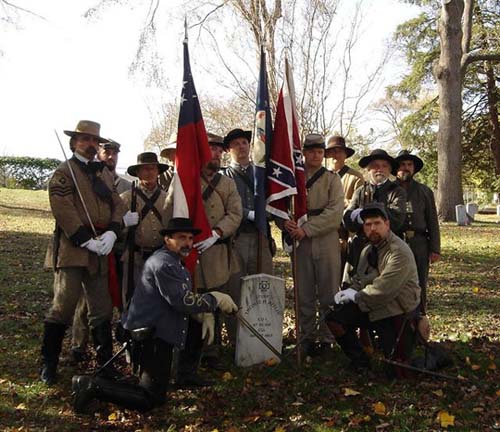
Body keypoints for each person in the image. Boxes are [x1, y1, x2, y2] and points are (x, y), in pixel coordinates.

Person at [71, 217, 239, 413]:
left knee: (157, 390)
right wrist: (214, 299)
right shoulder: (164, 264)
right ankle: (92, 386)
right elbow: (181, 301)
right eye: (181, 238)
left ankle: (185, 375)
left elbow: (181, 299)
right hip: (150, 336)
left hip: (159, 331)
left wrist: (204, 310)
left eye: (191, 238)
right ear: (167, 240)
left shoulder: (172, 261)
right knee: (150, 398)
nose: (188, 243)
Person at [41, 120, 125, 385]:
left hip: (101, 248)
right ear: (74, 142)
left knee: (101, 308)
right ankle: (49, 363)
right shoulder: (64, 172)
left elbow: (118, 205)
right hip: (73, 249)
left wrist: (112, 231)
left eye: (94, 141)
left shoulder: (103, 174)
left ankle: (104, 364)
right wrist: (85, 240)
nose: (90, 144)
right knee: (63, 306)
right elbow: (62, 208)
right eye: (85, 139)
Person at [167, 133, 242, 377]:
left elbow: (235, 213)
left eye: (220, 151)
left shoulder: (228, 184)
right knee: (191, 301)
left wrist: (217, 232)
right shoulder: (186, 179)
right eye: (212, 150)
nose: (217, 155)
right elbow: (171, 209)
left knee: (216, 301)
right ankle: (188, 353)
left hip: (217, 250)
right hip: (189, 252)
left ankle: (212, 352)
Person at [326, 202, 421, 378]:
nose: (372, 229)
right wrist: (348, 293)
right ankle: (360, 362)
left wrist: (356, 295)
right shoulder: (368, 250)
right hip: (372, 305)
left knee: (398, 371)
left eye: (377, 223)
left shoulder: (399, 252)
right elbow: (359, 279)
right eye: (368, 225)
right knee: (334, 318)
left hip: (396, 311)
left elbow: (384, 289)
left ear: (387, 224)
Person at [70, 139, 131, 364]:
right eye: (107, 151)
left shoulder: (126, 186)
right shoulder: (86, 178)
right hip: (91, 248)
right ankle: (79, 345)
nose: (111, 156)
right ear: (99, 153)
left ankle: (118, 346)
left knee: (117, 298)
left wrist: (123, 225)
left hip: (119, 248)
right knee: (86, 301)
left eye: (115, 153)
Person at [283, 133, 344, 357]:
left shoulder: (332, 179)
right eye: (311, 151)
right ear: (304, 153)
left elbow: (335, 213)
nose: (316, 155)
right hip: (300, 242)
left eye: (320, 152)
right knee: (304, 293)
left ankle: (327, 339)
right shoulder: (292, 179)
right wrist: (286, 223)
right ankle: (305, 337)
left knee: (328, 293)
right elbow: (281, 205)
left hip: (325, 239)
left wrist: (306, 229)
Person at [222, 128, 274, 345]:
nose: (242, 147)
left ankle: (263, 339)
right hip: (236, 239)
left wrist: (266, 214)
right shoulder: (223, 177)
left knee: (263, 289)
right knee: (235, 290)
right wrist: (247, 214)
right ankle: (237, 341)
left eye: (245, 142)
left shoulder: (261, 172)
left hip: (260, 237)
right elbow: (224, 207)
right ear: (228, 150)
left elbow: (274, 200)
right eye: (236, 144)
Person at [395, 150, 440, 334]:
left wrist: (435, 248)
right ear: (396, 168)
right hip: (396, 243)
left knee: (420, 284)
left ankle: (420, 328)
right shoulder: (389, 189)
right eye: (402, 164)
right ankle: (398, 327)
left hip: (420, 243)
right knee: (396, 283)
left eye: (409, 164)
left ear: (414, 168)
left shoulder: (424, 191)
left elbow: (433, 221)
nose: (406, 168)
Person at [344, 149, 407, 272]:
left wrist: (363, 213)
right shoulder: (360, 191)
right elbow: (347, 219)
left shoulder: (397, 191)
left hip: (389, 249)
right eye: (375, 166)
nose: (380, 169)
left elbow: (396, 220)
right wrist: (363, 214)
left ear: (389, 170)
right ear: (368, 169)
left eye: (384, 166)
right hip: (361, 248)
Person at [121, 152, 170, 307]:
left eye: (153, 168)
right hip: (134, 258)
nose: (149, 172)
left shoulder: (168, 198)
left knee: (158, 302)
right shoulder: (126, 198)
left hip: (160, 258)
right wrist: (124, 223)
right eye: (145, 169)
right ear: (138, 172)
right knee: (132, 302)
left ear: (158, 171)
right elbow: (116, 230)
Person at [325, 135, 364, 271]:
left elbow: (357, 205)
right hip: (321, 232)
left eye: (339, 151)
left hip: (343, 234)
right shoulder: (320, 176)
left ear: (345, 154)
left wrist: (340, 203)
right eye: (332, 151)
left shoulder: (355, 177)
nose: (335, 155)